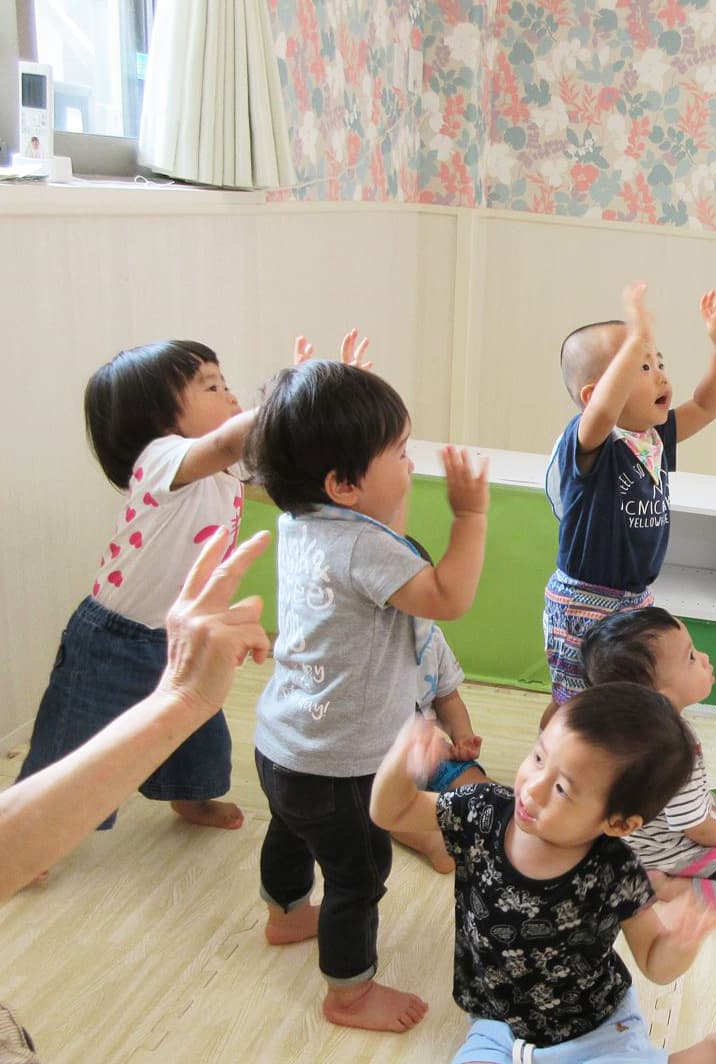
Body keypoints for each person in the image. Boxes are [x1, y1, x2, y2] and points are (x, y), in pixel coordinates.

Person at [17, 332, 361, 834]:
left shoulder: (223, 473)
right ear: (159, 418)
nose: (231, 394)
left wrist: (328, 407)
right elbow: (226, 441)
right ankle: (33, 824)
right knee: (72, 735)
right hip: (113, 638)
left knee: (197, 727)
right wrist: (292, 398)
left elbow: (286, 482)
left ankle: (190, 795)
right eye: (212, 386)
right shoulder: (161, 458)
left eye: (225, 384)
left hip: (185, 629)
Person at [243, 355, 490, 1034]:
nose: (410, 467)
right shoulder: (364, 547)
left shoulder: (302, 523)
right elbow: (448, 598)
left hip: (280, 743)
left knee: (289, 831)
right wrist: (469, 517)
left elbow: (375, 505)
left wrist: (345, 408)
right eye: (400, 452)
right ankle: (348, 993)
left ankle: (287, 914)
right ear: (344, 482)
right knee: (357, 878)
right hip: (343, 765)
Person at [371, 683, 716, 1064]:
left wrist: (680, 945)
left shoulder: (613, 869)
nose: (532, 790)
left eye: (562, 789)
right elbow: (393, 813)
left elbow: (654, 959)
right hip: (497, 1024)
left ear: (618, 823)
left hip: (596, 1029)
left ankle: (709, 1054)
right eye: (538, 757)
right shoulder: (482, 810)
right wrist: (401, 762)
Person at [0, 529, 270, 902]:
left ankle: (190, 795)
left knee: (198, 743)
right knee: (68, 737)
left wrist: (184, 700)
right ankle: (32, 847)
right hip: (115, 629)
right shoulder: (164, 468)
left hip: (169, 625)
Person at [543, 282, 716, 710]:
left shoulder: (653, 436)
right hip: (583, 602)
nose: (661, 375)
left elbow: (705, 407)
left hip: (632, 598)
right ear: (595, 394)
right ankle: (548, 763)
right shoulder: (592, 441)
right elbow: (602, 412)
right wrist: (635, 339)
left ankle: (598, 765)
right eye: (640, 367)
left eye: (658, 361)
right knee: (575, 704)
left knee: (616, 700)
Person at [581, 607, 716, 912]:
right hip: (665, 852)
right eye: (692, 658)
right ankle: (669, 887)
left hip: (625, 842)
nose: (705, 657)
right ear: (659, 695)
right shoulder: (676, 747)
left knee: (712, 805)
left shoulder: (618, 733)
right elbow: (694, 826)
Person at [392, 623, 490, 874]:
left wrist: (463, 738)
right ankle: (434, 843)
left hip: (432, 753)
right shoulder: (364, 646)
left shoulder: (431, 637)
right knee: (384, 809)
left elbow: (448, 698)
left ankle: (496, 819)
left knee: (484, 790)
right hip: (381, 765)